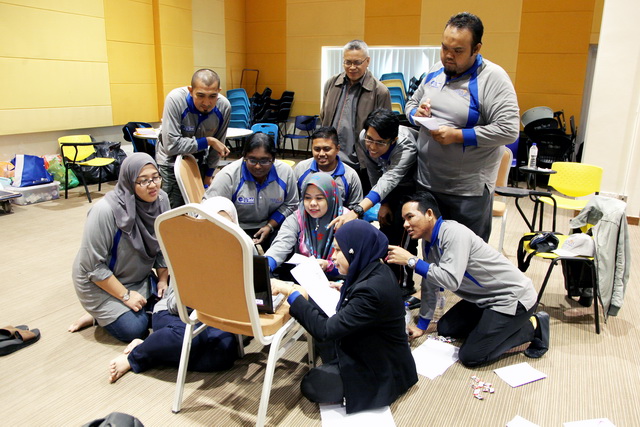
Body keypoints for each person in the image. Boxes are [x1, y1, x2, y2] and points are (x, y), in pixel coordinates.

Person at [386, 192, 550, 367]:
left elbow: (450, 280)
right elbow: (430, 283)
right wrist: (422, 325)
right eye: (404, 219)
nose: (405, 224)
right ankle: (493, 327)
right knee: (445, 328)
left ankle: (533, 327)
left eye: (410, 217)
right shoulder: (428, 241)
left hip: (512, 299)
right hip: (484, 298)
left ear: (429, 214)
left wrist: (412, 261)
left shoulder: (454, 233)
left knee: (471, 356)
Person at [272, 220, 418, 414]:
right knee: (315, 310)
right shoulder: (376, 269)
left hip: (381, 368)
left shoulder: (370, 291)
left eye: (338, 250)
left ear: (354, 251)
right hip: (377, 347)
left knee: (313, 384)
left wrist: (291, 293)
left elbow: (325, 331)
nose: (333, 256)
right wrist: (346, 289)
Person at [405, 12, 520, 242]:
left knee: (465, 254)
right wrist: (416, 114)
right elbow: (411, 104)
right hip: (427, 183)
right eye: (444, 47)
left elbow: (509, 130)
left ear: (476, 49)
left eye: (457, 51)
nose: (448, 56)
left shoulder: (493, 78)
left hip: (466, 192)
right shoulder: (436, 69)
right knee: (432, 249)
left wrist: (458, 135)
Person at [108, 197, 241, 383]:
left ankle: (157, 349)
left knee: (224, 354)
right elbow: (173, 304)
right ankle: (136, 356)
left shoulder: (242, 248)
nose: (220, 231)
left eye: (225, 225)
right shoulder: (190, 253)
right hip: (176, 314)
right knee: (189, 338)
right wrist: (202, 296)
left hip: (213, 319)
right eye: (213, 224)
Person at [70, 153, 170, 343]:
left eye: (156, 177)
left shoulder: (161, 200)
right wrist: (125, 296)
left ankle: (114, 313)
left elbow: (162, 245)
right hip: (98, 283)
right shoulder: (105, 211)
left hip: (136, 275)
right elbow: (92, 266)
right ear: (128, 182)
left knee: (178, 299)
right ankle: (100, 313)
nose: (153, 185)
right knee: (135, 329)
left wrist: (163, 280)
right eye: (143, 181)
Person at [330, 109, 418, 296]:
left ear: (393, 140)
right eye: (370, 139)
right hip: (387, 187)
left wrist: (356, 211)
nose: (372, 146)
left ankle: (403, 287)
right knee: (386, 233)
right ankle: (388, 281)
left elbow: (390, 180)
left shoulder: (406, 145)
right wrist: (384, 203)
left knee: (403, 236)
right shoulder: (365, 137)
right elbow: (374, 173)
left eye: (380, 142)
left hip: (412, 187)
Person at [205, 132, 298, 250]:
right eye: (252, 160)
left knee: (289, 245)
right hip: (236, 229)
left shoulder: (285, 173)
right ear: (244, 157)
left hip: (271, 226)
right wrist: (234, 232)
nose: (258, 166)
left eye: (264, 161)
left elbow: (291, 204)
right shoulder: (228, 175)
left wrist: (270, 226)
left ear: (273, 159)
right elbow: (209, 207)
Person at [320, 40, 391, 192]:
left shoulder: (380, 91)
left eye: (357, 62)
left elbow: (385, 131)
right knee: (329, 198)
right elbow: (323, 116)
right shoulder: (331, 84)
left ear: (367, 61)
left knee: (358, 202)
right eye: (348, 62)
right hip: (330, 158)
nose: (352, 67)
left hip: (362, 163)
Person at [156, 68, 231, 208]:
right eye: (200, 95)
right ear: (190, 91)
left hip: (199, 160)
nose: (207, 102)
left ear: (219, 92)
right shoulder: (175, 100)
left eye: (213, 96)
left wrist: (209, 174)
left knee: (197, 206)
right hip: (171, 161)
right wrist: (208, 141)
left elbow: (218, 146)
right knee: (174, 208)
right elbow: (171, 146)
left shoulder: (224, 106)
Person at [265, 173, 345, 277]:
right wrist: (266, 265)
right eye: (307, 198)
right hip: (305, 278)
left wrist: (328, 265)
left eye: (319, 198)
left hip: (342, 278)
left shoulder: (345, 219)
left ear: (331, 198)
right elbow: (281, 244)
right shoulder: (298, 218)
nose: (312, 203)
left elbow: (354, 260)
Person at [293, 126, 362, 210]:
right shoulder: (301, 169)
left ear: (337, 149)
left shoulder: (350, 175)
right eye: (317, 149)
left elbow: (355, 208)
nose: (321, 154)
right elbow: (293, 202)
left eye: (327, 149)